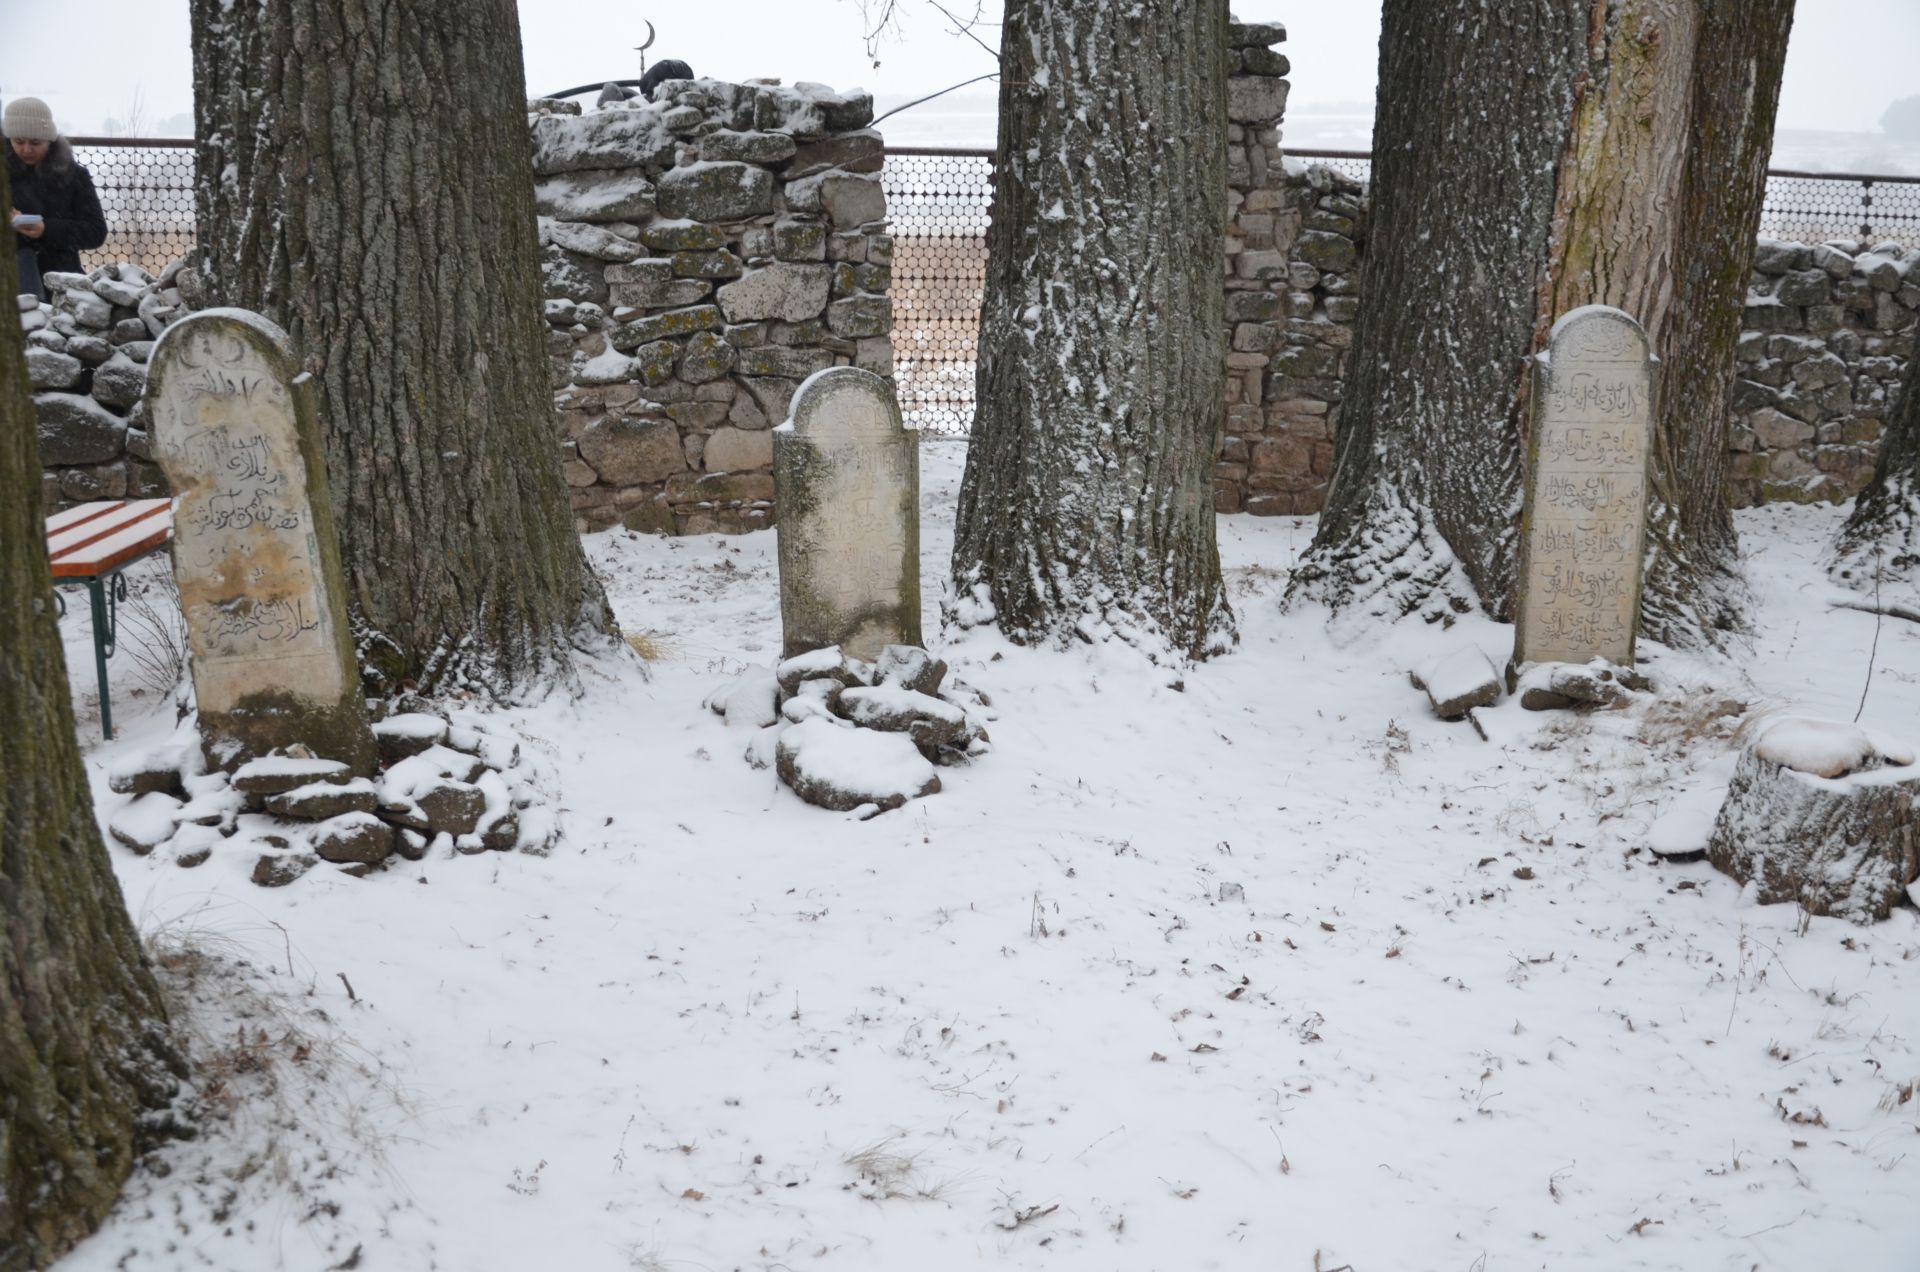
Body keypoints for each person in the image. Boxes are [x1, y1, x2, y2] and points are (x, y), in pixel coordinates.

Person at [5, 97, 106, 298]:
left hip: (62, 282)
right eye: (18, 141)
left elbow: (96, 232)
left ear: (49, 141)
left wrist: (47, 229)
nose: (26, 149)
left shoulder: (74, 176)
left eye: (35, 142)